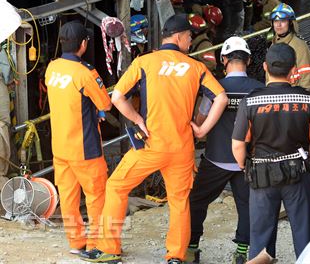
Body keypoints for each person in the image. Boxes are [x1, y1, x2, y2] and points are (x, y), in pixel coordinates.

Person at [81, 14, 228, 264]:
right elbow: (221, 98)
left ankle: (109, 249)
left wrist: (138, 120)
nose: (191, 41)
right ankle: (175, 256)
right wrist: (202, 131)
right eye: (189, 37)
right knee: (179, 201)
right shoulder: (196, 67)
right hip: (182, 147)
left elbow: (117, 96)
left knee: (117, 186)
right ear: (179, 36)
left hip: (150, 145)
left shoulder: (145, 62)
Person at [232, 43, 310, 260]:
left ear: (265, 67)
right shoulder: (307, 99)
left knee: (261, 238)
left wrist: (243, 165)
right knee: (305, 235)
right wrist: (307, 159)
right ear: (293, 69)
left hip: (261, 176)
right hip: (297, 175)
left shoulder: (251, 101)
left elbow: (238, 144)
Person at [187, 37, 263, 264]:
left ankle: (191, 248)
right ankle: (241, 251)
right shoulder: (260, 89)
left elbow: (201, 118)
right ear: (248, 60)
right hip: (247, 160)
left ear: (223, 60)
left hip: (216, 158)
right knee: (247, 204)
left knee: (197, 201)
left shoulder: (215, 87)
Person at [45, 21, 112, 256]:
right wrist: (96, 110)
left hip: (60, 148)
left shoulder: (51, 69)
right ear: (83, 44)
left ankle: (76, 242)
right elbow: (105, 103)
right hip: (85, 148)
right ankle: (95, 245)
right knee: (96, 197)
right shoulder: (85, 73)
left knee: (69, 198)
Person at [268, 3, 310, 92]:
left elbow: (307, 80)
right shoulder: (273, 46)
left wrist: (302, 101)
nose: (278, 25)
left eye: (282, 21)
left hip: (294, 99)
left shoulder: (299, 46)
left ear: (290, 23)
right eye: (275, 21)